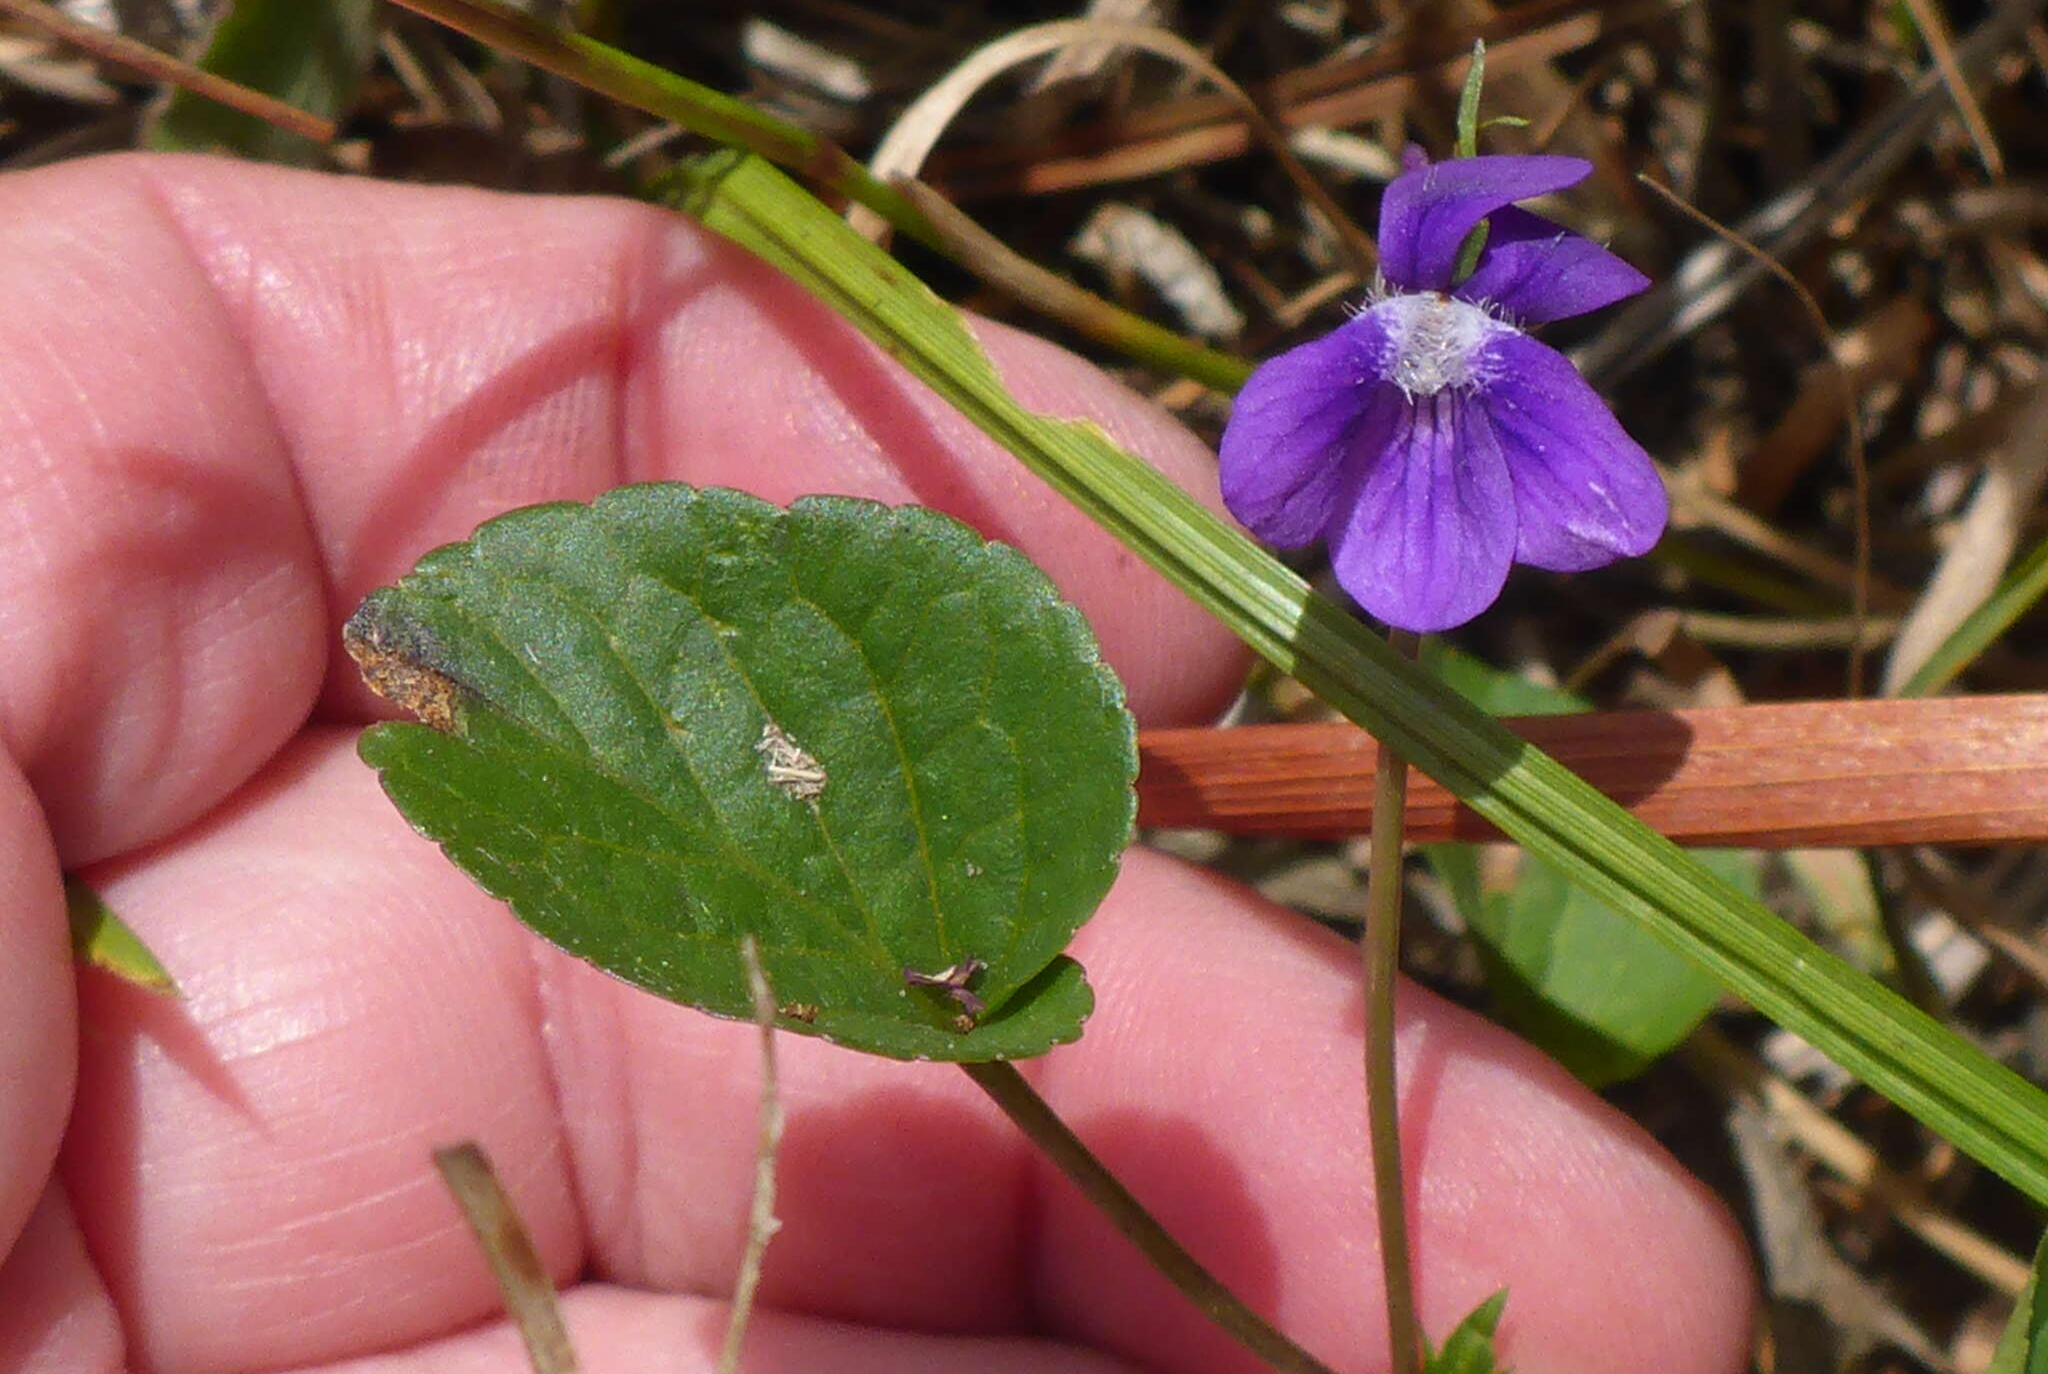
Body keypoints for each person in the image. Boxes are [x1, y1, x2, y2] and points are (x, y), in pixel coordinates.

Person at [0, 155, 1752, 1374]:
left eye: (1482, 307)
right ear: (1397, 280)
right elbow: (1285, 492)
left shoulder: (1463, 372)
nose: (1451, 331)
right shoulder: (1395, 352)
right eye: (1435, 295)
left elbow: (1543, 496)